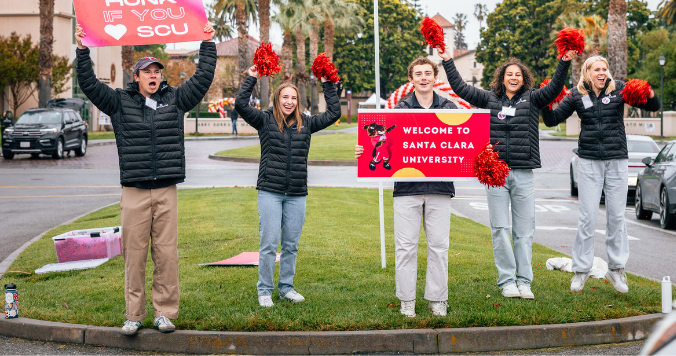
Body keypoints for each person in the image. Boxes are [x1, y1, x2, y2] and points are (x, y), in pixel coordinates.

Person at [75, 23, 217, 335]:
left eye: (157, 71)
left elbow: (203, 78)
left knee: (166, 254)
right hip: (134, 191)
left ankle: (164, 313)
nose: (153, 76)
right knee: (134, 257)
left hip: (166, 189)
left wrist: (207, 43)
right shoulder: (118, 102)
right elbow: (88, 84)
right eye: (147, 72)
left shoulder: (175, 99)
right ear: (136, 77)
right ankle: (134, 316)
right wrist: (83, 51)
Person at [440, 48, 575, 300]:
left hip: (524, 173)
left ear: (524, 79)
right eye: (509, 74)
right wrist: (447, 60)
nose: (513, 78)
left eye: (518, 75)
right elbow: (460, 88)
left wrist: (563, 63)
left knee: (524, 231)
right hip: (495, 175)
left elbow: (555, 87)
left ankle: (524, 281)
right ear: (501, 78)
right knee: (500, 228)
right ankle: (507, 281)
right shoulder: (489, 99)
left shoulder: (534, 98)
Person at [541, 56, 660, 294]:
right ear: (588, 72)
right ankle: (581, 271)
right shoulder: (576, 95)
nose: (602, 72)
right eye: (597, 69)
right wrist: (546, 100)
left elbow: (653, 107)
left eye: (605, 68)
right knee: (587, 218)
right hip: (588, 161)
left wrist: (649, 91)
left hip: (617, 160)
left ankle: (616, 269)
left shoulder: (620, 90)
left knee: (616, 217)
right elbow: (552, 120)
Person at [354, 56, 457, 318]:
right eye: (418, 74)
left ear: (435, 77)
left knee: (439, 247)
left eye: (428, 73)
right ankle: (407, 300)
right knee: (406, 247)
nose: (423, 78)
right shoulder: (397, 111)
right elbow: (379, 143)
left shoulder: (450, 109)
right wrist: (363, 151)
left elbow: (463, 142)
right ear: (411, 80)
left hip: (440, 188)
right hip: (406, 189)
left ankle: (437, 299)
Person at [235, 64, 340, 307]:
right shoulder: (264, 120)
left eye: (294, 98)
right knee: (269, 243)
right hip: (270, 192)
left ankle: (286, 288)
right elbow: (241, 105)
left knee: (291, 245)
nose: (290, 101)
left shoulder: (308, 123)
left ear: (298, 101)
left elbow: (334, 113)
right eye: (285, 97)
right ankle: (264, 290)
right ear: (277, 99)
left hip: (296, 193)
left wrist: (327, 83)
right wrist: (251, 77)